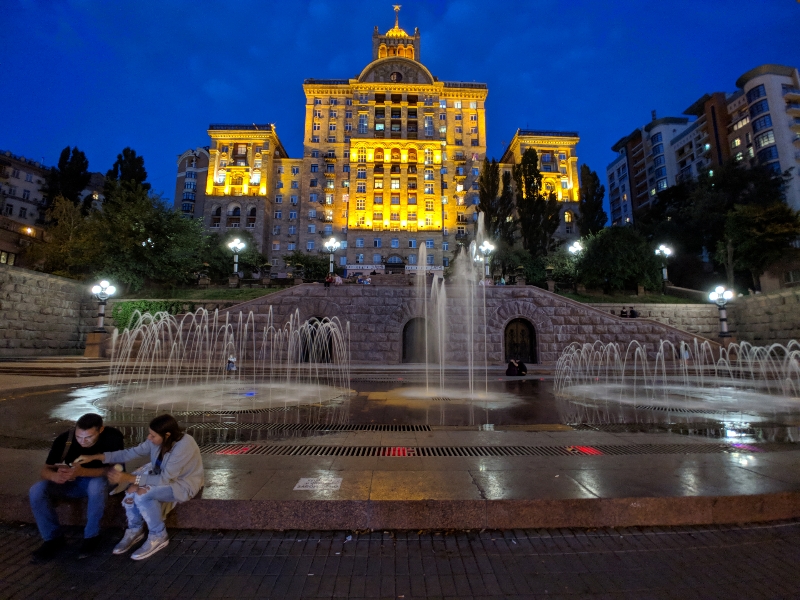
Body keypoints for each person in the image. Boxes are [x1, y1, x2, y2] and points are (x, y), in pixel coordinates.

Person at [75, 414, 204, 561]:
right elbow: (131, 453)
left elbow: (165, 478)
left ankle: (158, 535)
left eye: (153, 435)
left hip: (182, 483)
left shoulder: (184, 445)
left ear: (167, 435)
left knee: (142, 494)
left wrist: (130, 479)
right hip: (160, 476)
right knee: (131, 492)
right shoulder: (157, 440)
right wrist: (97, 457)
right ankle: (135, 530)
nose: (149, 438)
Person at [29, 413, 124, 561]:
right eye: (79, 437)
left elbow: (116, 470)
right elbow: (45, 470)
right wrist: (55, 476)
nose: (82, 441)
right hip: (73, 481)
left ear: (100, 430)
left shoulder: (112, 437)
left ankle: (91, 536)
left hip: (102, 481)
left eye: (88, 437)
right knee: (36, 490)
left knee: (96, 485)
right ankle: (52, 539)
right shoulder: (65, 439)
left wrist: (83, 472)